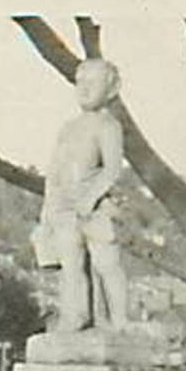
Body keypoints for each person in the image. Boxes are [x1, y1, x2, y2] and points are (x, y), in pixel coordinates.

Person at [33, 57, 129, 332]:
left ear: (111, 89)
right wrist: (47, 211)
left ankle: (120, 319)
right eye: (80, 83)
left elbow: (112, 170)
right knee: (70, 264)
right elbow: (54, 172)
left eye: (93, 83)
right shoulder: (68, 128)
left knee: (106, 262)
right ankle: (75, 316)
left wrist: (91, 198)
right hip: (64, 207)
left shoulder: (108, 126)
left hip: (94, 206)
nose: (84, 88)